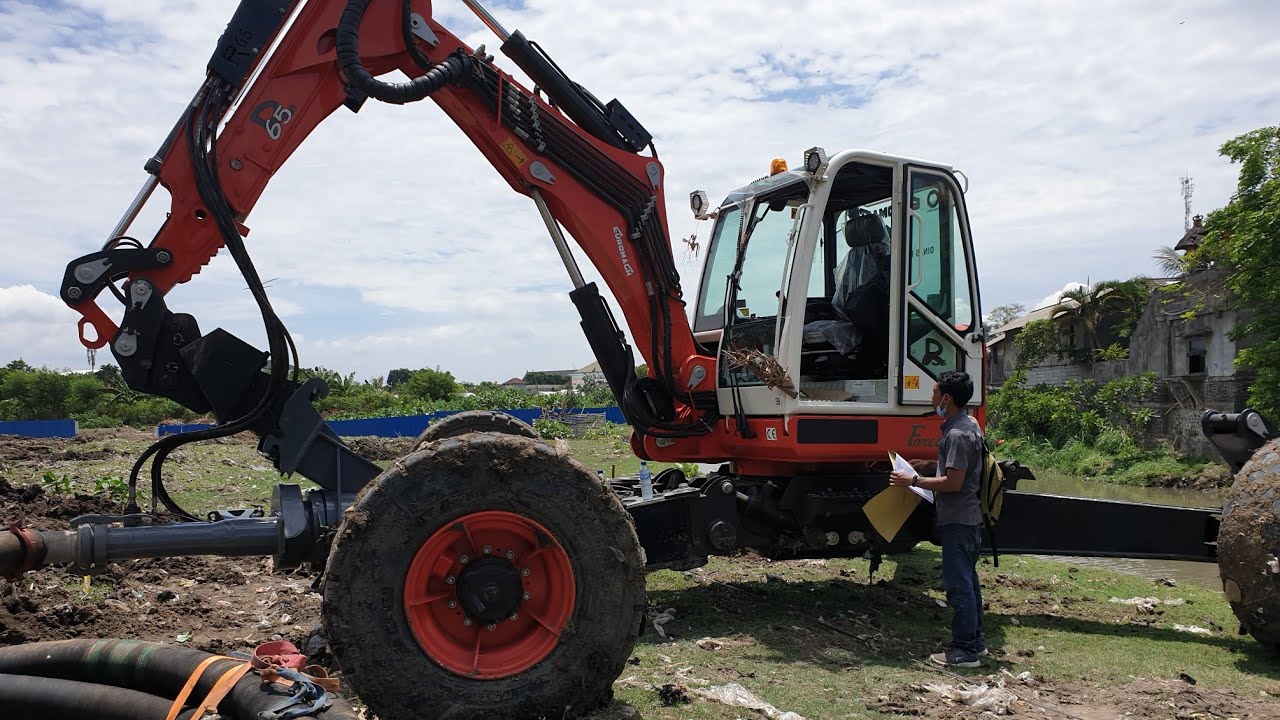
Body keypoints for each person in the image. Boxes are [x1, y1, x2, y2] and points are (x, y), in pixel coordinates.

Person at [889, 370, 987, 667]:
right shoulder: (969, 424)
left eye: (934, 394)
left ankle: (965, 650)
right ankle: (976, 642)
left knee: (959, 585)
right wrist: (927, 466)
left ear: (947, 398)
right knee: (969, 581)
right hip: (967, 517)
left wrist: (914, 480)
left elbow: (954, 483)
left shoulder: (957, 434)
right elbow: (958, 471)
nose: (931, 399)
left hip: (958, 518)